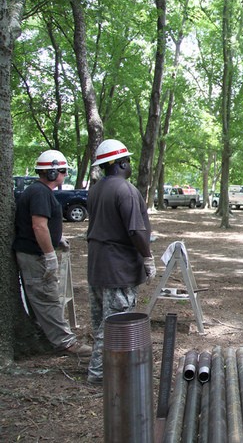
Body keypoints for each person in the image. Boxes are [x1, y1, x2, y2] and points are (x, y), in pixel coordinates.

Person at [86, 139, 156, 385]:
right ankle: (101, 376)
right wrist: (147, 257)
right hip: (118, 269)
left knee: (101, 326)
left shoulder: (95, 190)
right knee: (115, 325)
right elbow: (135, 231)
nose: (131, 165)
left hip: (97, 266)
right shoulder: (125, 190)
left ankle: (103, 370)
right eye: (129, 161)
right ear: (121, 163)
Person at [13, 150, 92, 357]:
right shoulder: (39, 192)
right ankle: (66, 343)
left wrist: (56, 240)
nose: (65, 175)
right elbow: (39, 226)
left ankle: (46, 337)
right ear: (52, 172)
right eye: (63, 171)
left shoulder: (39, 191)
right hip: (35, 256)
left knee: (43, 296)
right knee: (47, 296)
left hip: (36, 253)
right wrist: (49, 254)